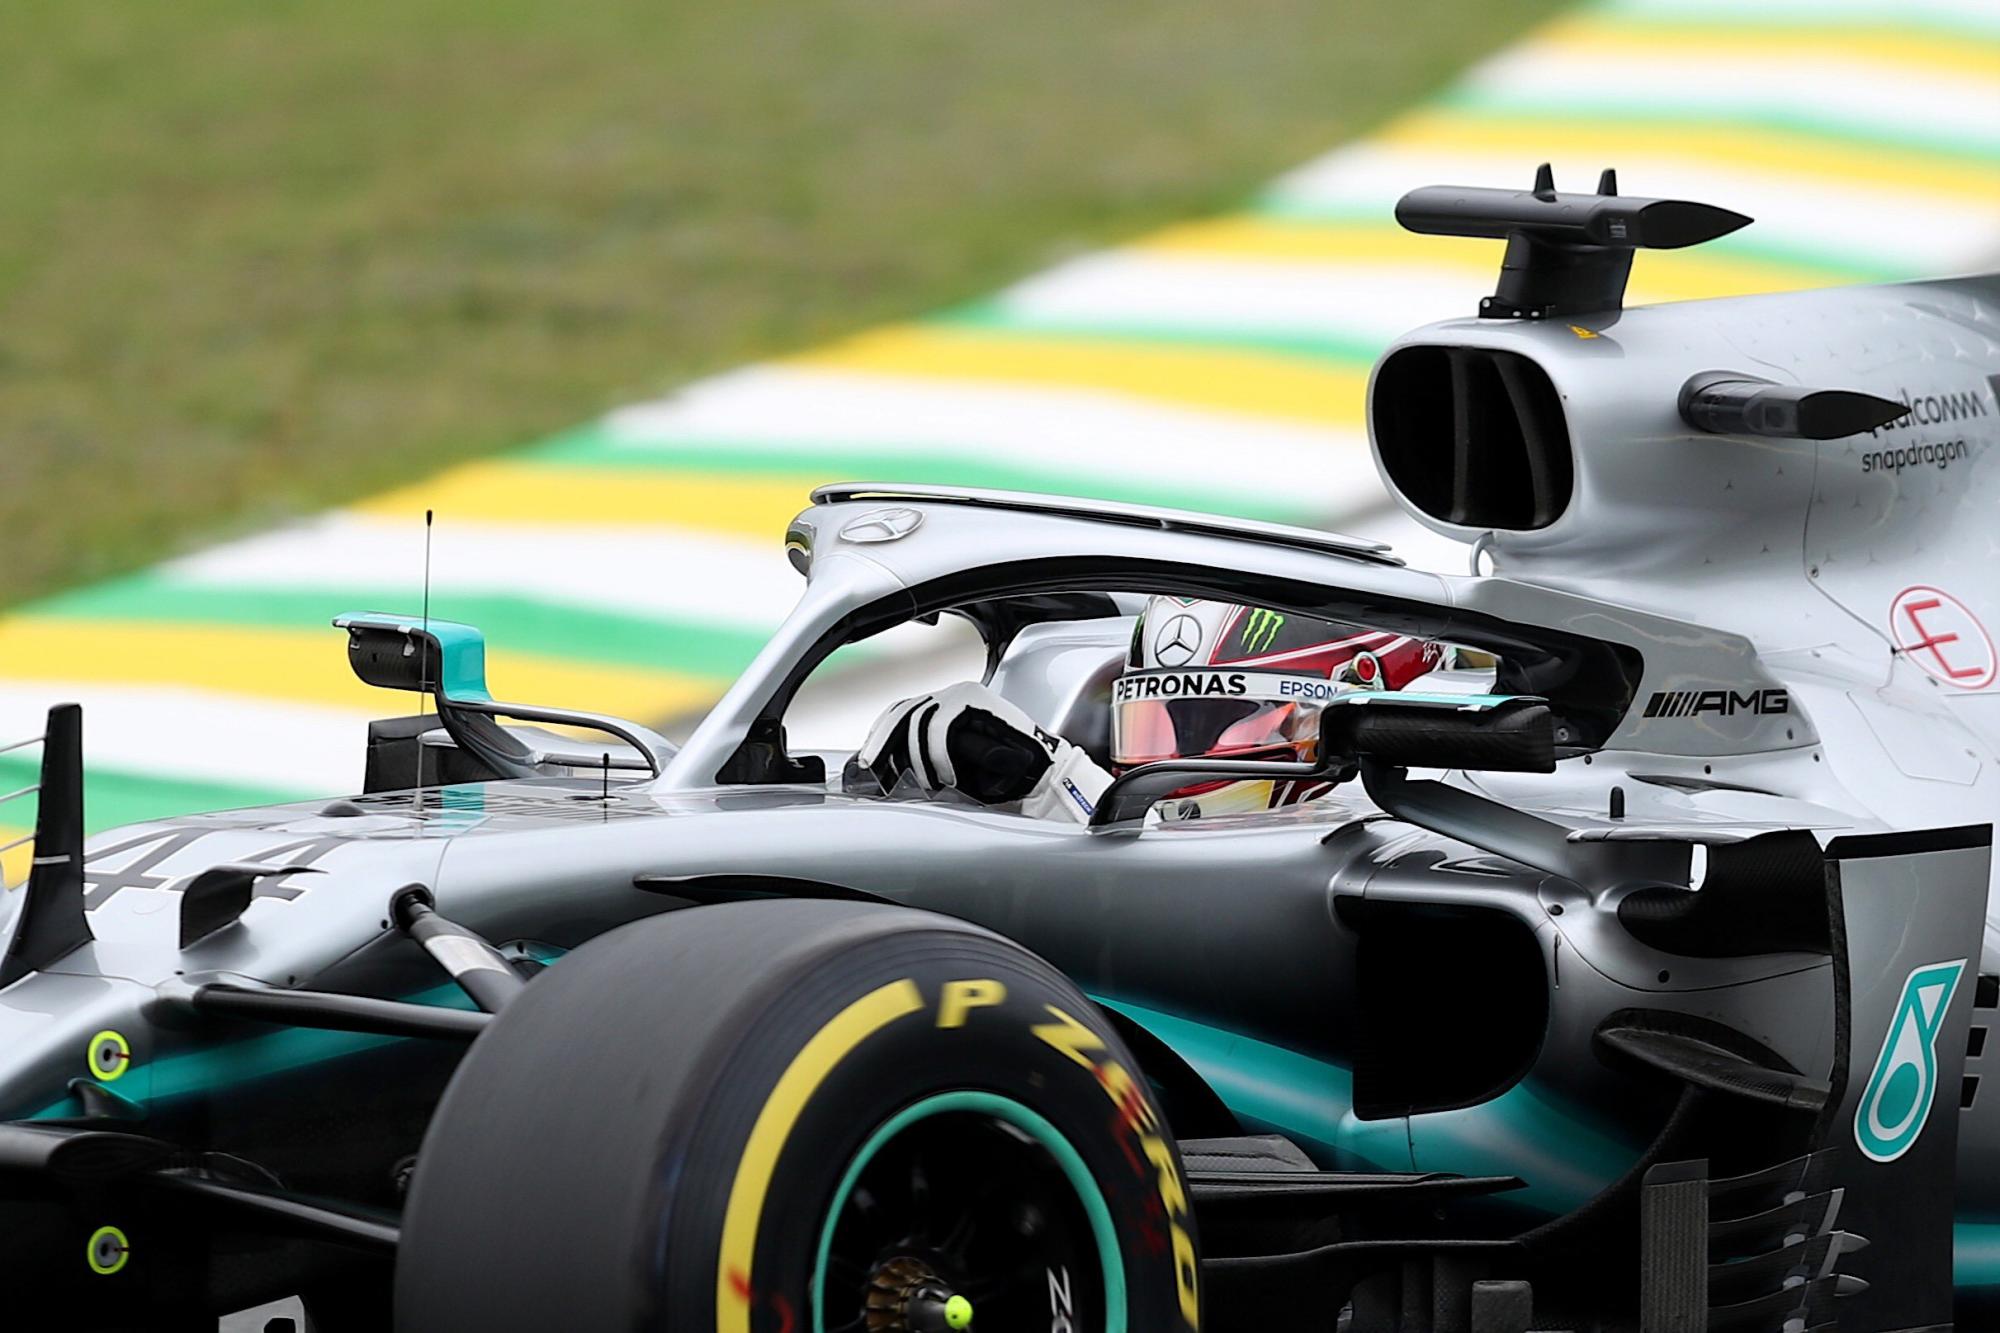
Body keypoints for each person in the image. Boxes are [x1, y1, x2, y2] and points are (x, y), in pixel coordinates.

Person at [856, 597, 1445, 824]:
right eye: (1163, 722)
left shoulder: (1409, 830)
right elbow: (1163, 833)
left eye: (1229, 719)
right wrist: (1038, 783)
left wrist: (1060, 786)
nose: (1183, 758)